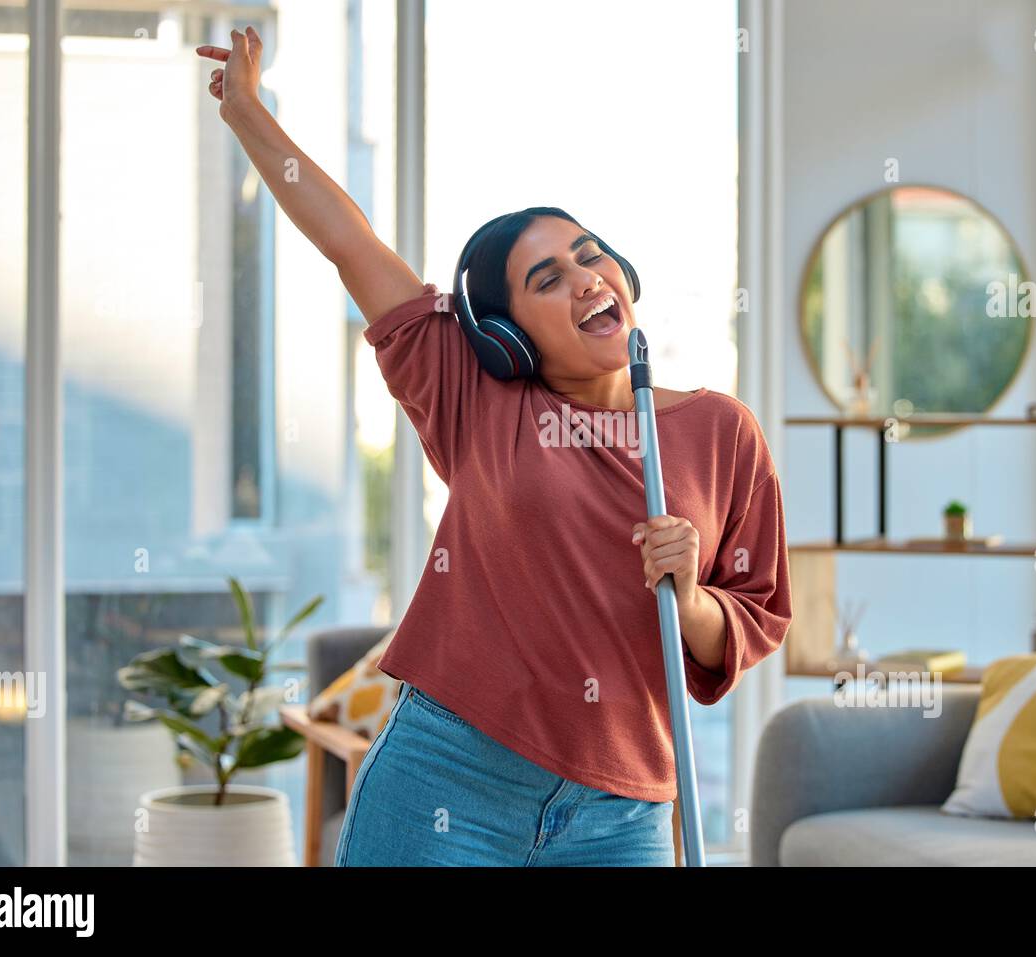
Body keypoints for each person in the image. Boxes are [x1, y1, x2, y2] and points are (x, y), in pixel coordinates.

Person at [198, 26, 792, 867]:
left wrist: (691, 594)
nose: (586, 277)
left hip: (620, 810)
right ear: (509, 336)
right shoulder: (477, 397)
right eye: (547, 278)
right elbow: (350, 243)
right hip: (446, 778)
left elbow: (753, 615)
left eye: (591, 257)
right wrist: (249, 113)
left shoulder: (722, 432)